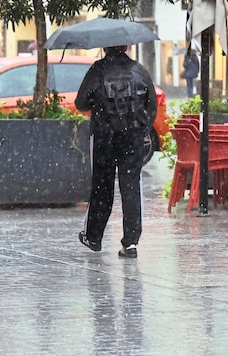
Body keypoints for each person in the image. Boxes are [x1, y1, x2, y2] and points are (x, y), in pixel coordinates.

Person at [75, 45, 157, 258]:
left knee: (102, 186)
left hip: (104, 136)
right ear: (127, 47)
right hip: (133, 137)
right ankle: (130, 242)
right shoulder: (139, 71)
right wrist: (141, 126)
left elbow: (81, 103)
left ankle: (94, 237)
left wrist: (99, 102)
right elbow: (152, 106)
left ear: (104, 47)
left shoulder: (97, 70)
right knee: (131, 187)